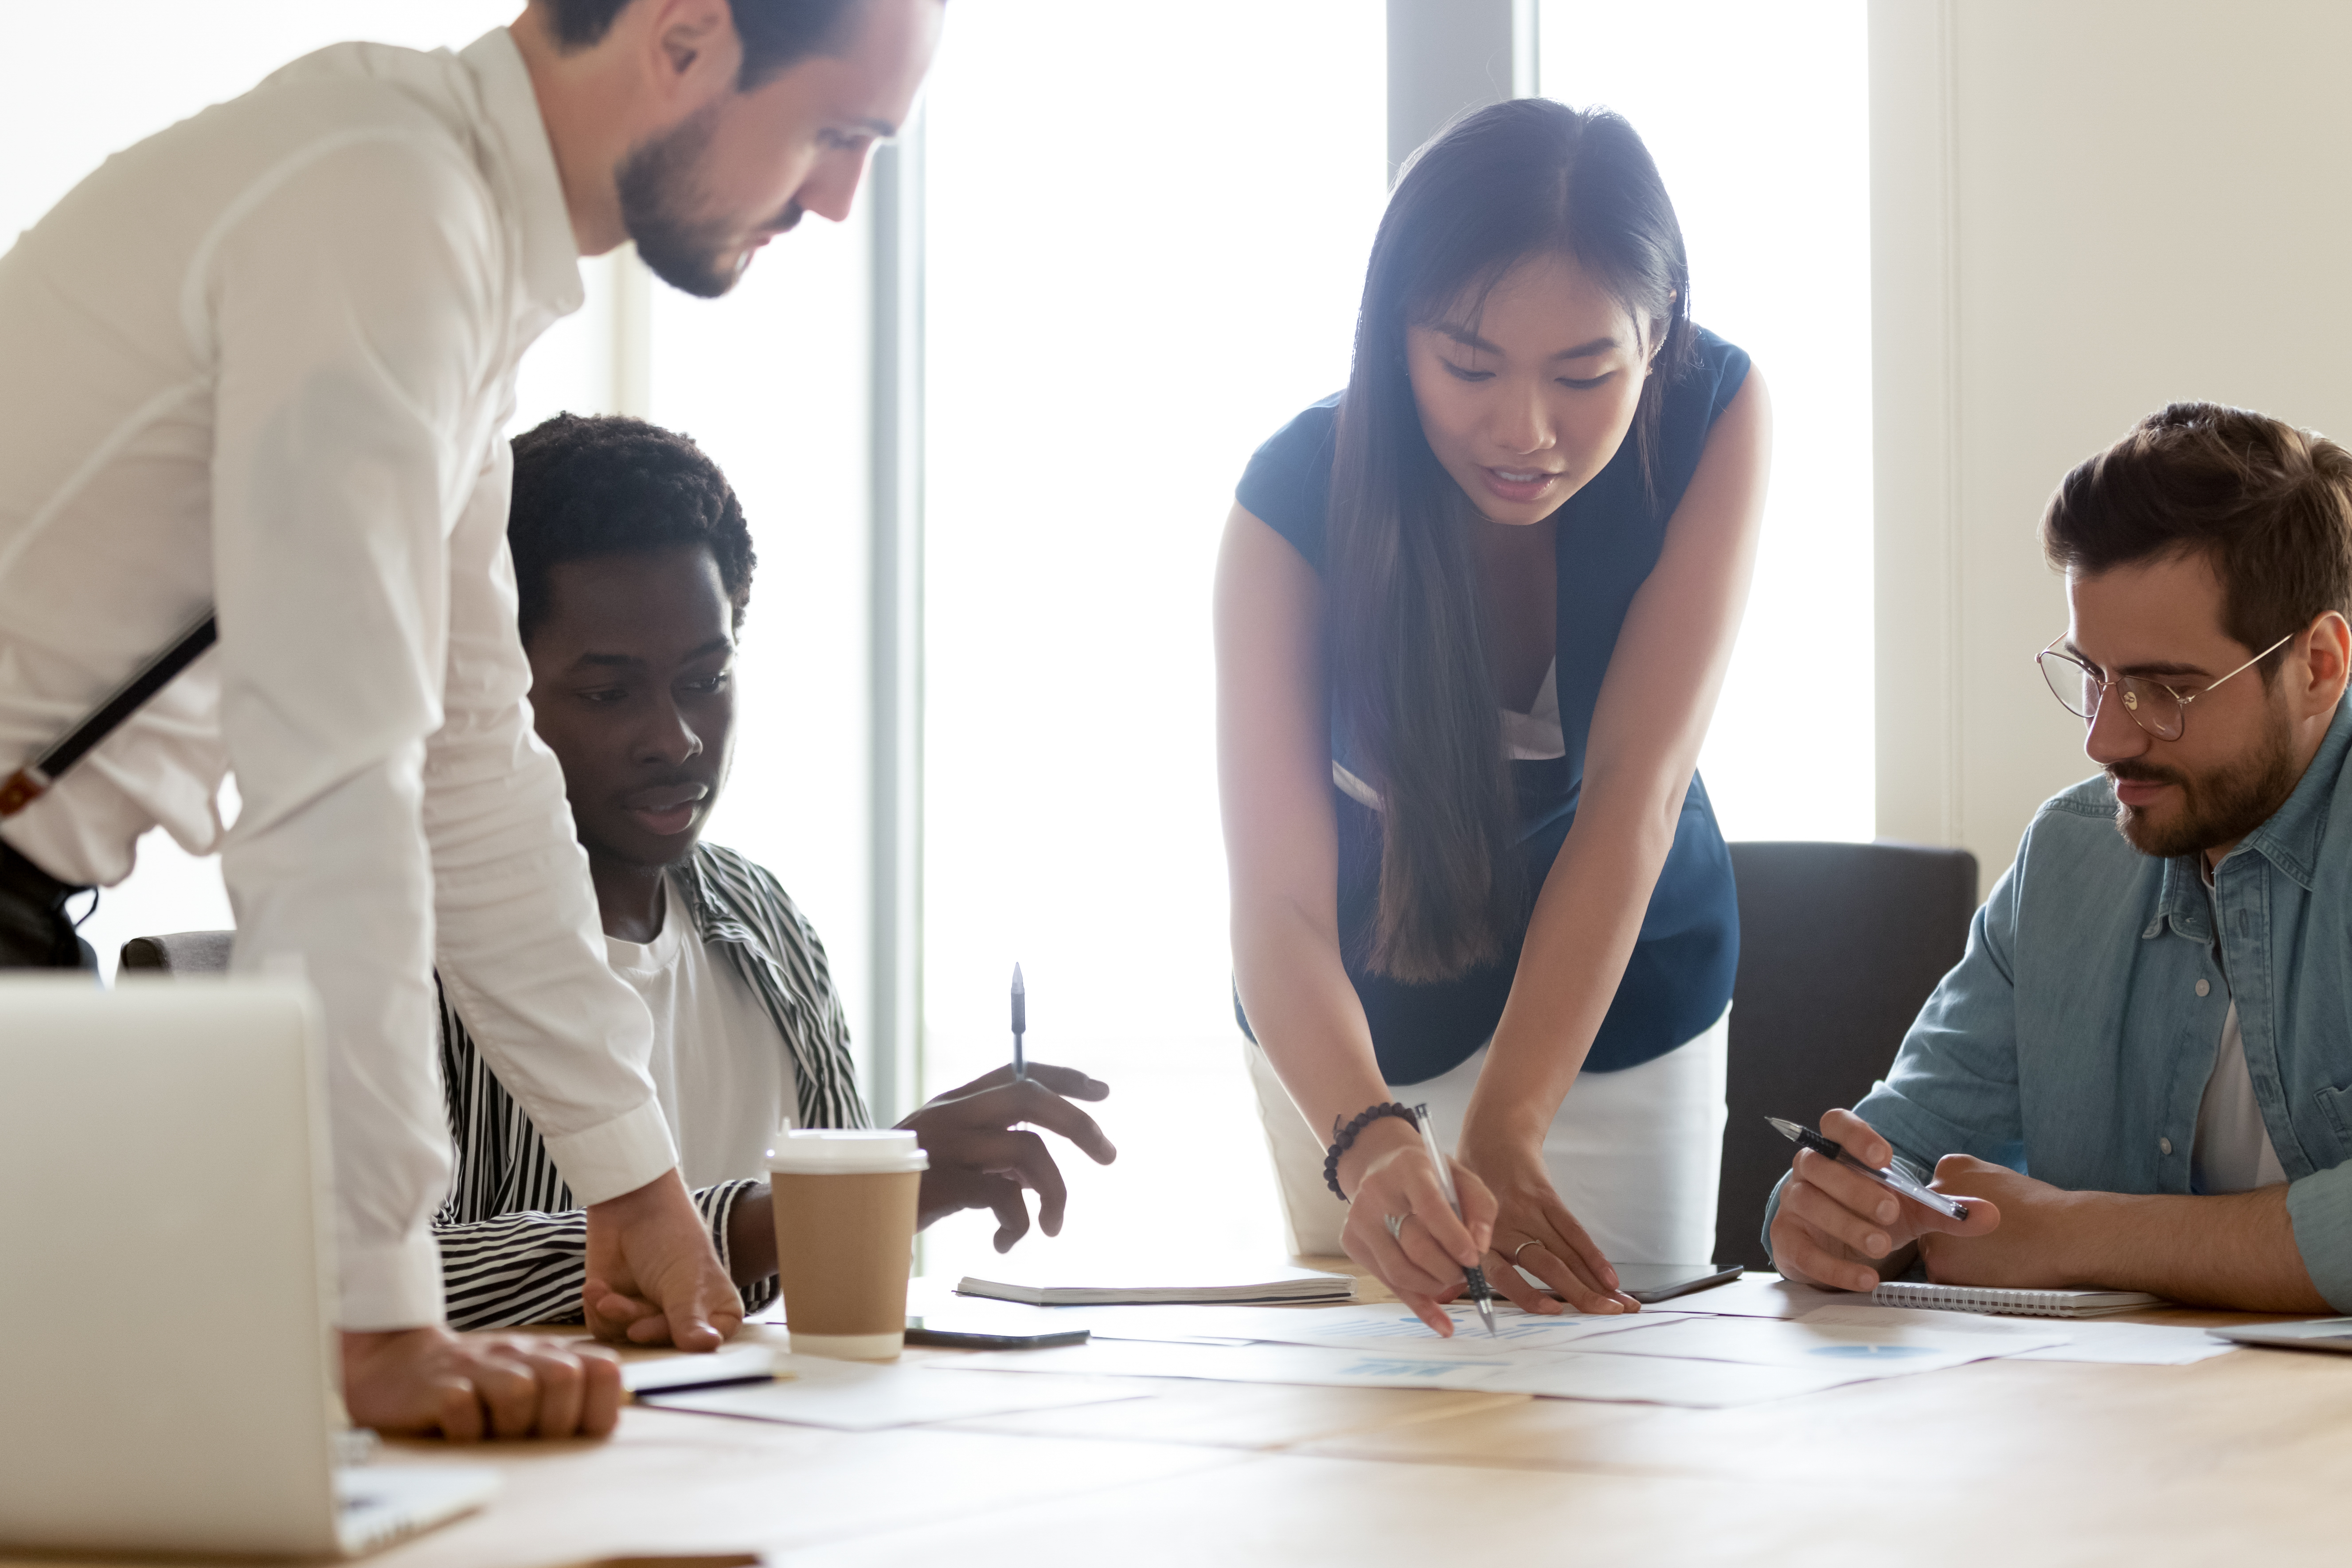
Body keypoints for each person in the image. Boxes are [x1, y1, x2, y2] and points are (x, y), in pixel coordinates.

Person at [0, 0, 943, 1439]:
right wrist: (377, 1312)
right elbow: (337, 794)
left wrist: (631, 1180)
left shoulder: (436, 229)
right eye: (833, 130)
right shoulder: (381, 208)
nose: (834, 197)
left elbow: (468, 766)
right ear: (684, 36)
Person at [1215, 99, 1771, 1335]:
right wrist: (1365, 1142)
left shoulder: (1715, 417)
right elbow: (1278, 903)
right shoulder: (1291, 502)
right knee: (1381, 1436)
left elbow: (1635, 792)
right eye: (1468, 366)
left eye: (1585, 374)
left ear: (1659, 336)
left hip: (1616, 1004)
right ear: (1394, 338)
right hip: (1346, 1023)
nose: (1525, 431)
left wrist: (1512, 1124)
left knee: (1620, 1418)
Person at [435, 413, 1116, 1329]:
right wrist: (792, 1212)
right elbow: (379, 1277)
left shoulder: (764, 922)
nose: (674, 736)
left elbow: (813, 1276)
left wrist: (888, 1185)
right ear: (488, 689)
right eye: (607, 692)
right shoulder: (411, 939)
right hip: (533, 1464)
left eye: (705, 680)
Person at [1766, 403, 2352, 1314]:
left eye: (2165, 689)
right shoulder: (2071, 855)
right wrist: (1828, 1214)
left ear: (2316, 664)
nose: (2103, 738)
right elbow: (1905, 1141)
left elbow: (2049, 1232)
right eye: (2092, 675)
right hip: (2111, 1426)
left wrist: (2078, 1232)